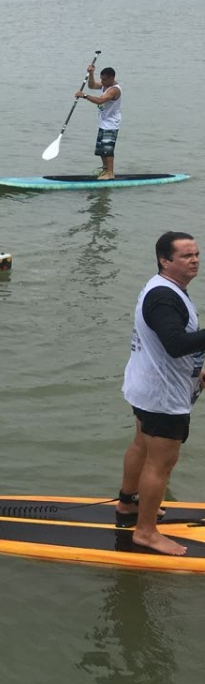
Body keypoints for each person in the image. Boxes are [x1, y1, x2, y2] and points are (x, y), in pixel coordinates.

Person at [117, 232, 205, 555]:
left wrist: (198, 370)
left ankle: (128, 503)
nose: (194, 260)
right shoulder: (164, 298)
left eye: (196, 254)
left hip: (148, 386)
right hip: (162, 396)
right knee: (161, 464)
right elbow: (175, 344)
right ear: (164, 261)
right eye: (185, 256)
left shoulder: (165, 289)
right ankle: (145, 532)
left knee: (141, 445)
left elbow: (170, 342)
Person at [75, 64, 121, 180]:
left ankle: (110, 173)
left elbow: (100, 100)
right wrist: (91, 73)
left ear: (112, 78)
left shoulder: (114, 90)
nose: (102, 82)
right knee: (101, 150)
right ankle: (105, 170)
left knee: (108, 150)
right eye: (101, 79)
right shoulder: (105, 85)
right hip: (103, 123)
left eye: (104, 80)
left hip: (111, 124)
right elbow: (91, 85)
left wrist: (84, 95)